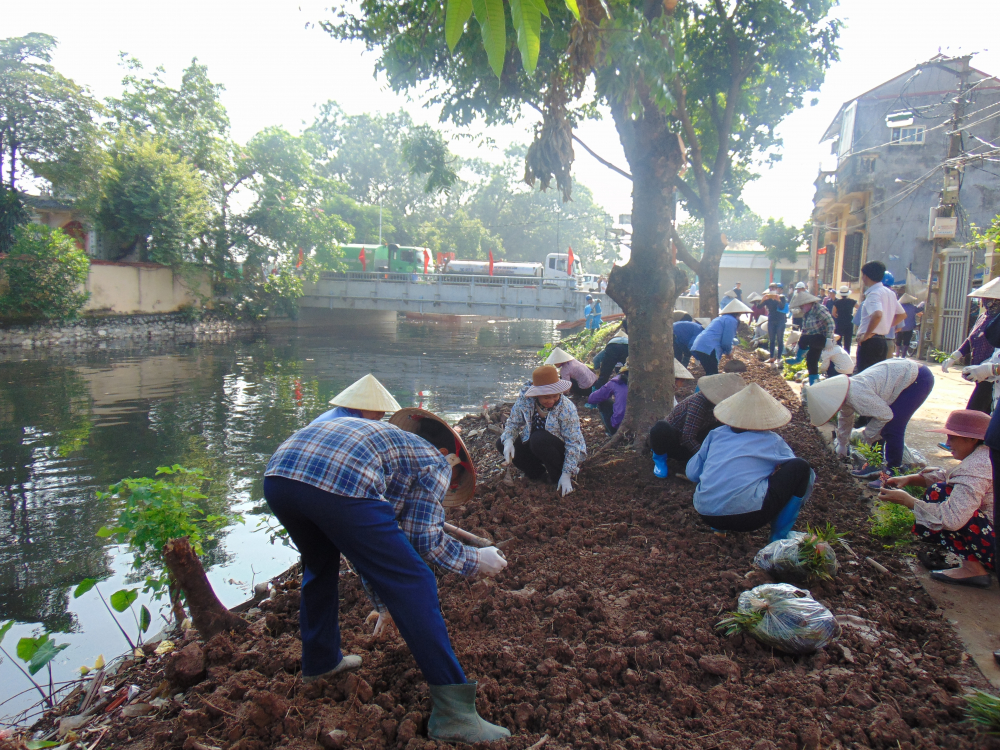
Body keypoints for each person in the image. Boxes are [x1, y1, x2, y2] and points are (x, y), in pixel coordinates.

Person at [262, 412, 510, 743]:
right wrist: (475, 559)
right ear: (449, 458)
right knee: (418, 581)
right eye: (453, 481)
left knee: (320, 565)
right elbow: (424, 540)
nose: (447, 488)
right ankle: (455, 714)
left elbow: (370, 545)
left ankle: (320, 662)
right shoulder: (436, 462)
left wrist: (384, 603)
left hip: (281, 475)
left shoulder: (391, 453)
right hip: (337, 480)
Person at [879, 409, 993, 588]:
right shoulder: (987, 455)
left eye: (952, 437)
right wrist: (910, 479)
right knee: (942, 490)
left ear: (971, 439)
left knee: (939, 493)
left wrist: (909, 501)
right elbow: (952, 477)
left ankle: (973, 570)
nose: (947, 443)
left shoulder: (977, 466)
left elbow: (952, 519)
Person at [687, 383, 815, 540]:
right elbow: (796, 469)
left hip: (706, 513)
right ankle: (779, 536)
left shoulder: (716, 434)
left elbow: (692, 473)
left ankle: (718, 529)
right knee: (801, 467)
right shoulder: (772, 440)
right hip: (750, 518)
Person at [803, 359, 934, 487]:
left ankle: (891, 474)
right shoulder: (845, 393)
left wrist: (867, 435)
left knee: (892, 427)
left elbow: (885, 415)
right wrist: (842, 443)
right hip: (901, 376)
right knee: (877, 420)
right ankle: (875, 463)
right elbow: (845, 416)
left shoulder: (856, 395)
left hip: (917, 379)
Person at [499, 364, 586, 496]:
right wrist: (508, 441)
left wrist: (567, 473)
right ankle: (537, 473)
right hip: (536, 446)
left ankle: (557, 476)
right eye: (546, 397)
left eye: (555, 396)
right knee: (501, 443)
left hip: (560, 449)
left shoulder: (567, 408)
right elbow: (513, 422)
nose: (551, 401)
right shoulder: (526, 401)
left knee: (538, 438)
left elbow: (573, 442)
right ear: (537, 395)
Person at [648, 372, 746, 477]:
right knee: (661, 427)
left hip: (694, 440)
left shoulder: (718, 406)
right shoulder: (698, 403)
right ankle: (659, 458)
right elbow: (687, 438)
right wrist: (705, 456)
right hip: (675, 442)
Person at [944, 277, 1000, 413]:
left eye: (991, 299)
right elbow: (971, 340)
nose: (986, 302)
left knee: (974, 412)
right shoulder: (983, 317)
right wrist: (954, 356)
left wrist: (988, 368)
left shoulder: (997, 322)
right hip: (982, 372)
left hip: (992, 375)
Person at [855, 261, 906, 374]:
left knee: (864, 376)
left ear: (865, 276)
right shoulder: (889, 293)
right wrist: (886, 325)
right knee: (877, 376)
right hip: (882, 341)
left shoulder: (874, 293)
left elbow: (877, 314)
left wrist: (867, 335)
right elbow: (902, 315)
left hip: (870, 342)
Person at [690, 298, 752, 376]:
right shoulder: (731, 321)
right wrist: (729, 352)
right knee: (713, 375)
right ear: (738, 313)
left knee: (710, 373)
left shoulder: (720, 318)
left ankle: (703, 384)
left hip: (700, 345)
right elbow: (726, 342)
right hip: (709, 347)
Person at [785, 291, 835, 385]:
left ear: (807, 303)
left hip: (822, 337)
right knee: (811, 360)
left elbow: (830, 323)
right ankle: (814, 382)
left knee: (806, 339)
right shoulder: (806, 314)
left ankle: (798, 359)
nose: (801, 308)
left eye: (801, 306)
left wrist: (829, 339)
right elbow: (805, 330)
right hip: (812, 339)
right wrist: (799, 346)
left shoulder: (819, 309)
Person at [310, 374, 401, 424]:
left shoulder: (346, 413)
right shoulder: (349, 422)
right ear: (363, 408)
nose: (380, 415)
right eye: (377, 410)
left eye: (383, 411)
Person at [761, 285, 789, 364]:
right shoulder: (768, 298)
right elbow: (759, 306)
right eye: (771, 288)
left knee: (780, 339)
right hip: (771, 320)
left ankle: (779, 358)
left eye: (774, 288)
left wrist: (778, 300)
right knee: (771, 339)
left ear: (777, 289)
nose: (772, 289)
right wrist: (763, 300)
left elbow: (782, 307)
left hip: (780, 320)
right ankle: (771, 357)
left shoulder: (782, 297)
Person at [894, 293, 921, 359]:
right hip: (909, 327)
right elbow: (919, 309)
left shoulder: (898, 306)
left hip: (899, 327)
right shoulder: (912, 307)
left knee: (898, 341)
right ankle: (903, 355)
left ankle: (897, 354)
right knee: (906, 341)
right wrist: (923, 304)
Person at [831, 286, 857, 354]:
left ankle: (839, 354)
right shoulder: (852, 301)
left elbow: (833, 313)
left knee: (838, 339)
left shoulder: (837, 302)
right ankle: (847, 354)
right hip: (849, 322)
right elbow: (860, 308)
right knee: (848, 340)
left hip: (840, 322)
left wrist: (838, 317)